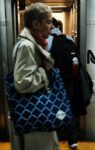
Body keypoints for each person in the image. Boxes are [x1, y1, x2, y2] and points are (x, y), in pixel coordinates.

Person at [11, 3, 60, 150]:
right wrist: (45, 70)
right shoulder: (27, 46)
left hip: (36, 112)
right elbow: (22, 82)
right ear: (36, 24)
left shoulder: (33, 43)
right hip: (35, 114)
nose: (51, 26)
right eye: (49, 21)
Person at [47, 17, 80, 149]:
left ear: (50, 26)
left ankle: (53, 139)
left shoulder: (46, 41)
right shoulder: (69, 38)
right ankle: (72, 140)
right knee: (68, 108)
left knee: (50, 108)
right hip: (68, 81)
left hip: (52, 81)